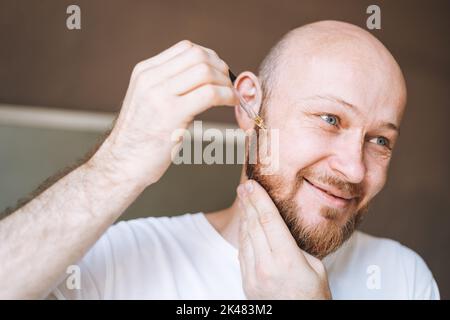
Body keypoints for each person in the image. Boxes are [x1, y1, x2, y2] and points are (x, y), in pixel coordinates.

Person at [0, 20, 439, 299]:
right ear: (250, 106)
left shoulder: (401, 276)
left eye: (379, 140)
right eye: (329, 118)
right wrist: (116, 163)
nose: (355, 168)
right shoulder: (120, 259)